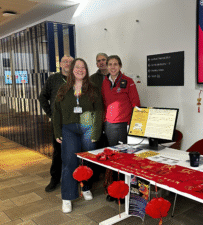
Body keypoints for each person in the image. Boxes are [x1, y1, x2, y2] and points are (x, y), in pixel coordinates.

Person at [53, 58, 103, 213]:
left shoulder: (93, 88)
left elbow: (99, 110)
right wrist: (57, 131)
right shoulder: (63, 89)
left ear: (86, 70)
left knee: (87, 160)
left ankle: (86, 187)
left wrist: (96, 130)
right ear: (72, 69)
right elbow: (56, 111)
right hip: (69, 129)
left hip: (88, 129)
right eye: (77, 67)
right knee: (69, 161)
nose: (80, 70)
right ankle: (67, 196)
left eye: (83, 67)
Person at [101, 55, 140, 202]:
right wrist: (105, 121)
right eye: (110, 64)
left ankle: (123, 192)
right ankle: (114, 190)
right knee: (113, 159)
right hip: (109, 125)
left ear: (120, 66)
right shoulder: (104, 82)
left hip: (124, 125)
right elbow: (104, 103)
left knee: (123, 159)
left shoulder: (128, 82)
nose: (112, 67)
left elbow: (136, 103)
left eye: (115, 64)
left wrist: (134, 125)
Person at [39, 55, 74, 192]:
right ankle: (54, 179)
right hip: (58, 124)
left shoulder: (78, 78)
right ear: (60, 64)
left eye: (71, 62)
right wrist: (51, 114)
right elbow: (42, 97)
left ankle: (74, 177)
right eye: (65, 61)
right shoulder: (53, 79)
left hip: (75, 123)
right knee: (58, 153)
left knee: (75, 151)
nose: (68, 64)